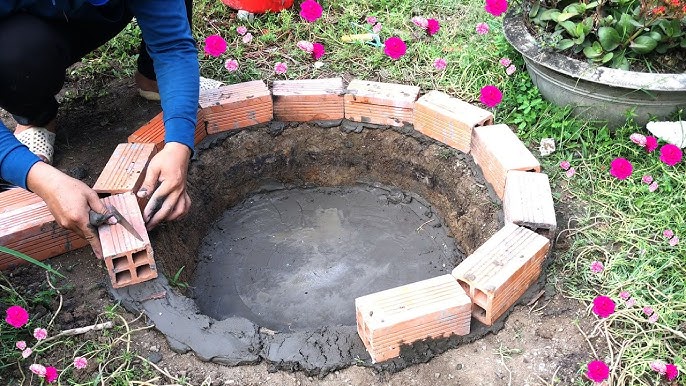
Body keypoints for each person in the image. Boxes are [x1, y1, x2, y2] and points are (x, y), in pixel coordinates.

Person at [0, 0, 199, 259]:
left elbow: (173, 46)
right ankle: (35, 116)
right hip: (28, 31)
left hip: (98, 12)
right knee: (15, 60)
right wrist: (38, 177)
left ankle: (153, 79)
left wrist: (178, 144)